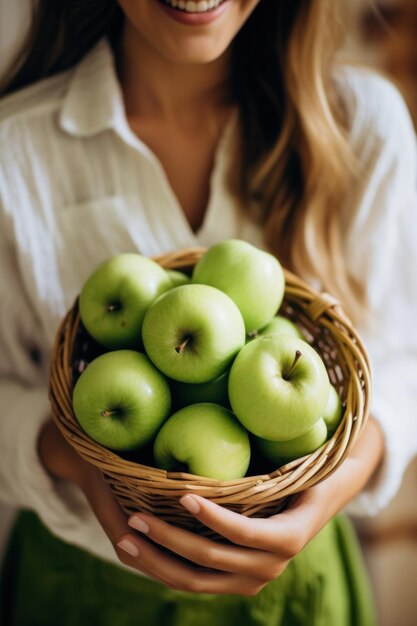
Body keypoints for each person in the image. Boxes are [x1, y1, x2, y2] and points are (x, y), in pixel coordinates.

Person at [0, 1, 416, 624]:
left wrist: (328, 492)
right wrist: (82, 463)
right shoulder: (15, 149)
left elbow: (404, 360)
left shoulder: (362, 126)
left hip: (297, 593)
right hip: (82, 590)